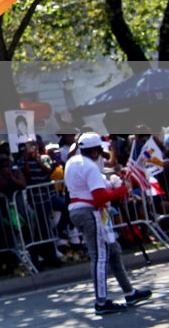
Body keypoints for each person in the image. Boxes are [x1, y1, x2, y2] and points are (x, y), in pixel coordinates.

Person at [64, 133, 152, 315]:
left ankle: (129, 292)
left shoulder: (73, 162)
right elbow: (99, 198)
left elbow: (93, 187)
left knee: (113, 251)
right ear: (95, 151)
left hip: (82, 209)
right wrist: (122, 190)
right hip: (90, 212)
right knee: (100, 256)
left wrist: (111, 183)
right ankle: (101, 302)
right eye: (100, 152)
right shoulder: (89, 167)